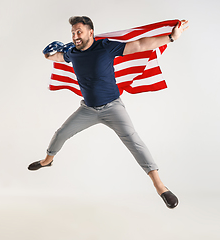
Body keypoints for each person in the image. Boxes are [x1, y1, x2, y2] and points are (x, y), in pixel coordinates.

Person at [28, 16, 189, 209]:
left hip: (113, 107)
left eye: (79, 31)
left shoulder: (105, 47)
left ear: (90, 32)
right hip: (87, 109)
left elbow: (139, 45)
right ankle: (47, 161)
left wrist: (171, 38)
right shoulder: (73, 52)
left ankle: (160, 187)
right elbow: (61, 57)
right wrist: (48, 56)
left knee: (134, 141)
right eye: (72, 33)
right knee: (61, 133)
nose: (75, 36)